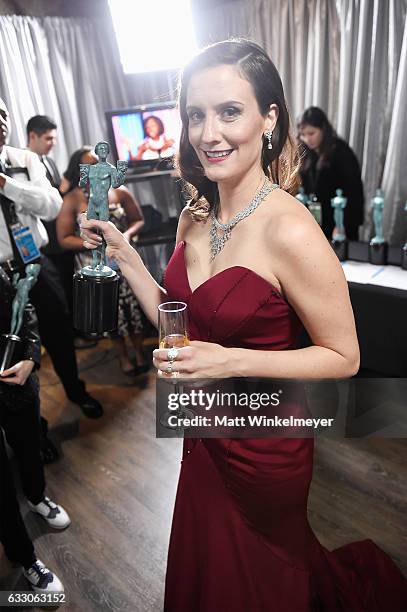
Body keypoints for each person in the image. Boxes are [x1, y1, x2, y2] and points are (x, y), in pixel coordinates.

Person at [80, 40, 407, 611]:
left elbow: (344, 356)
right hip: (203, 427)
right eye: (196, 115)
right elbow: (178, 315)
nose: (209, 133)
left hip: (265, 442)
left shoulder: (291, 229)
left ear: (268, 119)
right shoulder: (194, 214)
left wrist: (227, 360)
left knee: (263, 574)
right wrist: (126, 257)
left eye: (229, 111)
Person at [0, 98, 103, 428]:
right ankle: (33, 424)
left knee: (60, 332)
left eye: (3, 114)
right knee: (13, 349)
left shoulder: (26, 159)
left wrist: (6, 184)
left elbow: (49, 206)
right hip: (1, 273)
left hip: (36, 261)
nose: (1, 121)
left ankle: (75, 391)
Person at [0, 266, 69, 594]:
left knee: (29, 446)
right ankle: (24, 558)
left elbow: (22, 303)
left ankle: (37, 496)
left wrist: (30, 355)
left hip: (14, 379)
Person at [58, 147, 149, 376]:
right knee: (111, 313)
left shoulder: (119, 192)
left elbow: (138, 220)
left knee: (134, 311)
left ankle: (139, 352)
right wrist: (92, 243)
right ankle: (123, 357)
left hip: (125, 263)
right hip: (96, 267)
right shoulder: (73, 199)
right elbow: (63, 239)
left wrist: (127, 235)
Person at [26, 115, 75, 311]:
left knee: (67, 285)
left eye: (54, 138)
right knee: (55, 295)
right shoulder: (22, 165)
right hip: (44, 241)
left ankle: (76, 333)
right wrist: (63, 190)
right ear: (32, 136)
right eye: (48, 139)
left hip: (61, 236)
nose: (52, 143)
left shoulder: (50, 162)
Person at [298, 106, 364, 240]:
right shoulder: (306, 153)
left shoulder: (341, 152)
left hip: (340, 222)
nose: (307, 139)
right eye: (303, 135)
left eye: (311, 133)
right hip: (316, 224)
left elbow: (354, 193)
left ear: (323, 129)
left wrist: (342, 225)